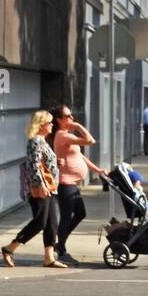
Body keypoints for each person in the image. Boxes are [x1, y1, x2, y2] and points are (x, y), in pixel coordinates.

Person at [1, 111, 67, 269]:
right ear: (41, 124)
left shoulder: (42, 141)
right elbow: (33, 165)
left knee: (52, 223)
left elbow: (43, 162)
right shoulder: (36, 141)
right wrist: (41, 185)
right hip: (39, 188)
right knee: (40, 222)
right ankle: (10, 248)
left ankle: (49, 258)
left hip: (49, 187)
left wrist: (56, 162)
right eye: (49, 122)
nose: (52, 125)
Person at [49, 105, 107, 266]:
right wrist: (78, 126)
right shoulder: (62, 136)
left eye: (72, 115)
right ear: (59, 120)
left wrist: (98, 170)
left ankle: (59, 243)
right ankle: (61, 250)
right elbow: (90, 141)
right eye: (68, 116)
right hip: (65, 184)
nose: (72, 118)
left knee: (80, 213)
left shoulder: (67, 135)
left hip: (71, 184)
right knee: (66, 217)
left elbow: (80, 156)